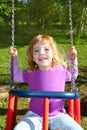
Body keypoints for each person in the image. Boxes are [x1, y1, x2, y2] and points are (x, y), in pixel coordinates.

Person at [9, 35, 83, 130]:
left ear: (54, 53)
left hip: (58, 115)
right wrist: (13, 58)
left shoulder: (61, 71)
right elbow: (14, 76)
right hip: (35, 115)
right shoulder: (30, 72)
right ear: (32, 57)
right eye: (36, 50)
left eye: (46, 49)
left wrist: (72, 58)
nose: (41, 53)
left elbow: (73, 74)